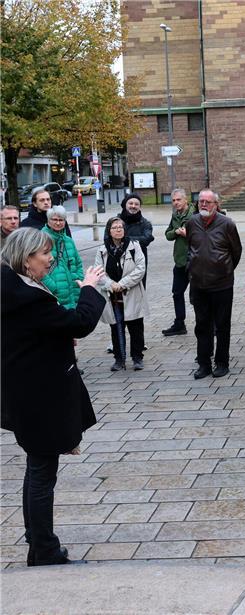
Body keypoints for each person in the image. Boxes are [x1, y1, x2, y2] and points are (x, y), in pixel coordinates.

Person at [1, 229, 105, 566]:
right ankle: (44, 549)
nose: (50, 259)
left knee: (36, 468)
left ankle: (37, 538)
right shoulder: (26, 295)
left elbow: (38, 333)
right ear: (27, 258)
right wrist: (88, 287)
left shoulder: (13, 288)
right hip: (39, 397)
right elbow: (79, 322)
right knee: (43, 470)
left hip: (26, 391)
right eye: (45, 254)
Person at [186, 189, 242, 379]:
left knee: (222, 325)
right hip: (198, 284)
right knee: (202, 325)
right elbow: (190, 248)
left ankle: (222, 362)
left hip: (222, 285)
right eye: (201, 201)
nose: (203, 205)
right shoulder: (192, 222)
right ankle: (203, 363)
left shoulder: (227, 224)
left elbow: (236, 252)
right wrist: (192, 268)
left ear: (216, 204)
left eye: (208, 202)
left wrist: (224, 269)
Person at [94, 217, 149, 371]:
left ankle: (137, 357)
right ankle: (119, 359)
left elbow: (140, 269)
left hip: (131, 293)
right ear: (109, 231)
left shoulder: (134, 246)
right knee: (116, 327)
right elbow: (99, 271)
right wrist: (111, 284)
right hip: (112, 295)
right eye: (114, 227)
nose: (118, 230)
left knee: (136, 327)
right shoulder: (102, 250)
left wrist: (122, 284)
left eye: (120, 227)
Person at [163, 188, 196, 336]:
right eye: (173, 201)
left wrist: (187, 234)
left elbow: (203, 236)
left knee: (198, 295)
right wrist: (176, 232)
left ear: (186, 200)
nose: (176, 203)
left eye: (178, 200)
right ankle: (179, 324)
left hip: (196, 261)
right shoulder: (175, 215)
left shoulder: (194, 214)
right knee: (177, 293)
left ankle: (209, 324)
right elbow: (168, 235)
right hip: (180, 261)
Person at [41, 206, 83, 309]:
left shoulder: (68, 240)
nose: (58, 223)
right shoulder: (41, 239)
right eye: (55, 219)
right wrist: (52, 287)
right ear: (48, 220)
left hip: (74, 290)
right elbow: (37, 267)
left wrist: (79, 279)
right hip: (55, 294)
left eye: (61, 220)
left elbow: (78, 263)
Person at [119, 194, 154, 286]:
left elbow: (147, 239)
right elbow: (107, 239)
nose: (133, 206)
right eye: (130, 203)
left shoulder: (145, 223)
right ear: (125, 205)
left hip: (138, 262)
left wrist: (123, 239)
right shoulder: (115, 222)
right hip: (118, 260)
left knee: (139, 289)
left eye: (136, 204)